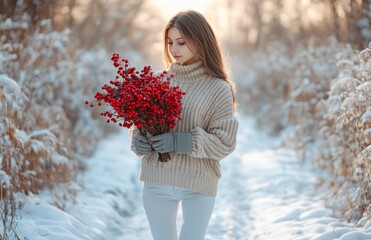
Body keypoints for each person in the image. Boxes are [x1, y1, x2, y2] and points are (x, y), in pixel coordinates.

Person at [129, 10, 239, 240]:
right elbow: (140, 124)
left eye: (181, 42)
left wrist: (181, 141)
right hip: (157, 179)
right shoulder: (158, 82)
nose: (174, 49)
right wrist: (138, 139)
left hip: (198, 183)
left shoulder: (218, 88)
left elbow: (225, 143)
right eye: (170, 42)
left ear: (200, 41)